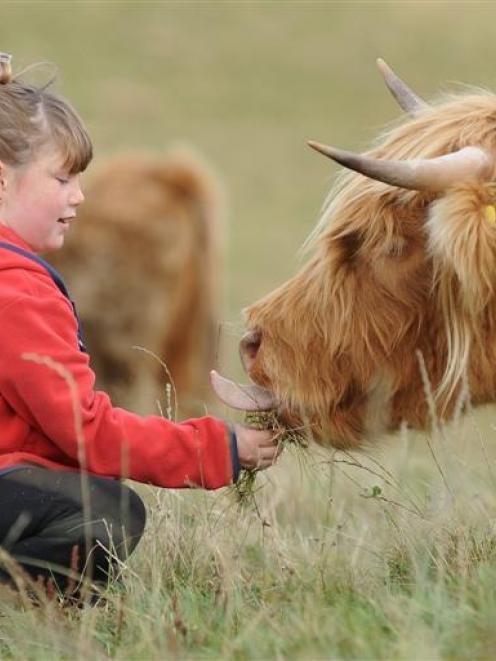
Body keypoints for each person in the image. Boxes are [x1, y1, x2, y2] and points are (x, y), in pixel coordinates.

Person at [0, 53, 280, 596]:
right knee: (107, 513)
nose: (80, 195)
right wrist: (215, 449)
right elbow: (85, 431)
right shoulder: (18, 293)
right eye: (62, 178)